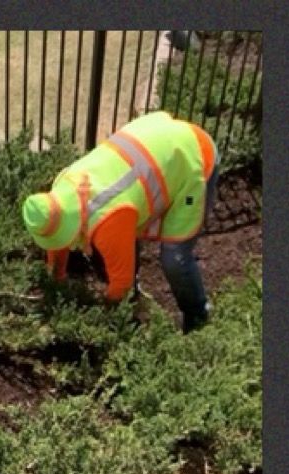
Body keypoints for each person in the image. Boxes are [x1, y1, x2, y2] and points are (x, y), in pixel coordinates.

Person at [20, 110, 217, 331]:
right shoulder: (62, 190)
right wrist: (56, 280)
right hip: (152, 141)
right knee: (123, 239)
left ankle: (198, 317)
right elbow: (56, 235)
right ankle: (138, 298)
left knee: (175, 257)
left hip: (191, 156)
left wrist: (106, 317)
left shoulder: (109, 221)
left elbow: (121, 284)